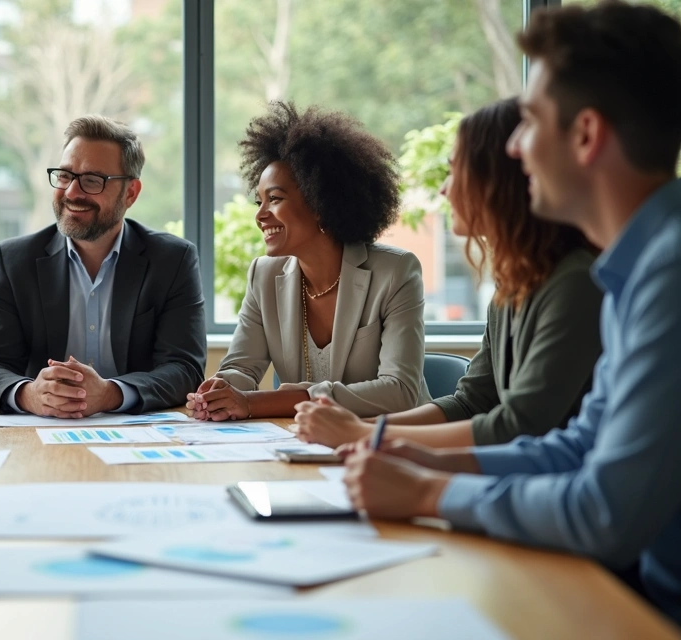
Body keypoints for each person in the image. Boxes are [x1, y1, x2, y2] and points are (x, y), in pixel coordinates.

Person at [342, 2, 681, 625]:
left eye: (528, 123)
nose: (517, 149)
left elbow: (602, 513)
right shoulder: (633, 268)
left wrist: (428, 491)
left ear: (585, 135)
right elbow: (578, 446)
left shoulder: (667, 276)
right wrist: (424, 459)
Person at [291, 98, 601, 449]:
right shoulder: (512, 283)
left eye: (455, 171)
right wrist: (362, 430)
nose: (445, 189)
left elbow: (518, 426)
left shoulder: (574, 284)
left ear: (498, 180)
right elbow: (471, 403)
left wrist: (366, 434)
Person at [188, 101, 429, 421]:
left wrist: (255, 403)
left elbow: (398, 391)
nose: (260, 216)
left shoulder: (395, 273)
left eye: (274, 199)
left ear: (320, 202)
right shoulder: (264, 274)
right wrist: (220, 390)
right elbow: (242, 368)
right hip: (303, 441)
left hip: (386, 442)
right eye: (259, 201)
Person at [0, 115, 206, 417]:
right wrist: (30, 394)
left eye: (92, 180)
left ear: (131, 193)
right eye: (65, 176)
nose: (72, 193)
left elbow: (185, 369)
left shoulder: (173, 260)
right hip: (40, 436)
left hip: (140, 439)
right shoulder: (15, 260)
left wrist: (110, 394)